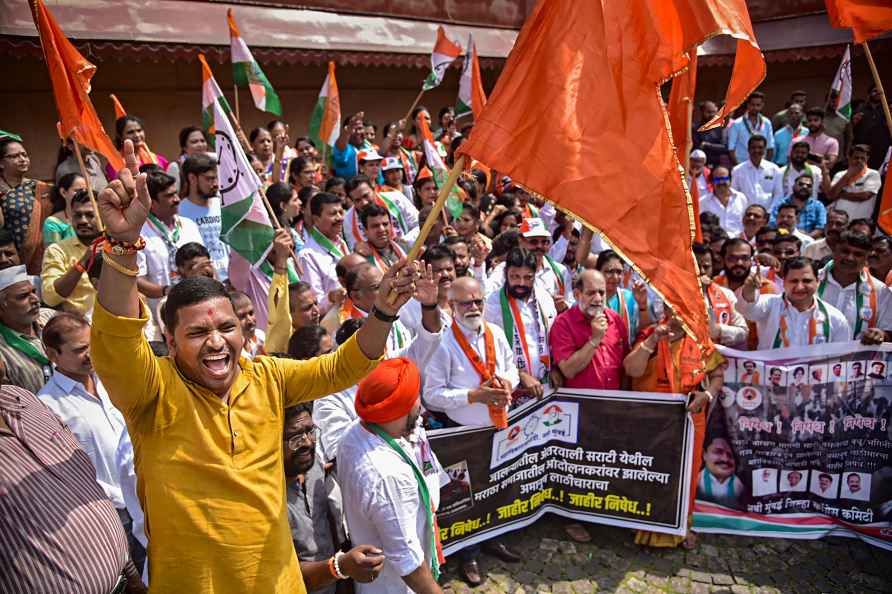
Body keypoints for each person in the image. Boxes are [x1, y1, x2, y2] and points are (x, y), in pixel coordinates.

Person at [89, 141, 421, 594]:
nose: (217, 341)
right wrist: (124, 248)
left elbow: (341, 369)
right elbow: (117, 339)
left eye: (227, 327)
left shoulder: (266, 376)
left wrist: (382, 313)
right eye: (196, 333)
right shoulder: (152, 391)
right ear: (169, 340)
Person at [0, 382, 144, 594]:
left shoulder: (22, 399)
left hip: (125, 579)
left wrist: (130, 571)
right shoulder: (50, 398)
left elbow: (85, 483)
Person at [423, 276, 520, 586]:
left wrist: (508, 383)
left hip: (497, 426)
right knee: (466, 496)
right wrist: (474, 396)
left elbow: (512, 369)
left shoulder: (496, 332)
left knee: (497, 486)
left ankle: (496, 539)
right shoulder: (442, 342)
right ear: (451, 306)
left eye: (478, 300)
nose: (474, 307)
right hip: (460, 432)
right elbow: (432, 395)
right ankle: (469, 554)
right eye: (466, 302)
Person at [36, 313, 145, 571]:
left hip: (144, 498)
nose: (90, 354)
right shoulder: (47, 405)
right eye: (80, 349)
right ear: (53, 355)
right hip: (108, 513)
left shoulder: (110, 380)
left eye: (92, 344)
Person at [338, 358, 448, 593]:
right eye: (415, 398)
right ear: (400, 408)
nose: (420, 404)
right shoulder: (388, 476)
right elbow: (408, 562)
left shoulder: (359, 429)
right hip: (394, 587)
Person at [623, 305, 724, 547]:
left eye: (683, 306)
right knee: (651, 472)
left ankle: (680, 527)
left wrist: (707, 395)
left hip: (688, 418)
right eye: (674, 306)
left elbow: (718, 375)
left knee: (685, 475)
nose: (679, 312)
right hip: (652, 420)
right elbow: (631, 369)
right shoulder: (651, 333)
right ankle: (645, 526)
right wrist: (653, 340)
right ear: (666, 307)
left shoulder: (700, 339)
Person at [282, 403, 385, 594]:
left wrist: (343, 576)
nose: (307, 442)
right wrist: (340, 567)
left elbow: (329, 522)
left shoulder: (314, 468)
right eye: (295, 438)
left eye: (310, 431)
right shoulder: (266, 497)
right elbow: (285, 575)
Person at [136, 169, 204, 335]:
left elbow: (205, 263)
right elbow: (137, 280)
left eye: (176, 193)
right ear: (152, 201)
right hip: (162, 318)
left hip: (198, 309)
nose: (177, 199)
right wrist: (167, 291)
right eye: (169, 196)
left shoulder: (189, 225)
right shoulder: (139, 233)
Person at [485, 248, 557, 401]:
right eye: (515, 276)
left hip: (544, 387)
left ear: (535, 273)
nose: (521, 283)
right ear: (505, 273)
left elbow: (552, 339)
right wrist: (520, 374)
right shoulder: (492, 304)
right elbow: (490, 351)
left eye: (528, 277)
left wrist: (556, 369)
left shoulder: (545, 299)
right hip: (511, 391)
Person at [736, 257, 851, 349]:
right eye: (794, 281)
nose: (800, 287)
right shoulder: (770, 304)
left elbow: (840, 358)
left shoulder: (835, 318)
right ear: (784, 282)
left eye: (806, 281)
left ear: (817, 282)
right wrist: (749, 290)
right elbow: (748, 310)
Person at [817, 230, 892, 344]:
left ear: (867, 257)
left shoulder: (880, 291)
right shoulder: (811, 281)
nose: (850, 258)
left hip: (854, 361)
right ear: (834, 250)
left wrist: (880, 334)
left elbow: (887, 331)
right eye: (845, 251)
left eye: (858, 254)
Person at [41, 189, 102, 315]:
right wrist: (83, 263)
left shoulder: (117, 243)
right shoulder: (57, 251)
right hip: (81, 326)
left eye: (90, 215)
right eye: (77, 215)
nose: (83, 221)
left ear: (103, 217)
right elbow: (50, 298)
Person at [0, 137, 52, 274]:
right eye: (14, 156)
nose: (22, 159)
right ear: (1, 163)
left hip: (42, 258)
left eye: (24, 154)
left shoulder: (42, 188)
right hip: (8, 262)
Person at [0, 265, 52, 392]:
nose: (35, 299)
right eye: (23, 296)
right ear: (2, 305)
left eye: (33, 292)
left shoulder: (50, 317)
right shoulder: (2, 350)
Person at [179, 154, 229, 281]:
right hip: (205, 281)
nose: (216, 184)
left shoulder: (222, 206)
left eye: (216, 178)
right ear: (192, 178)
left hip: (231, 278)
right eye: (209, 179)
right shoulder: (180, 211)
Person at [299, 192, 348, 315]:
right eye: (333, 214)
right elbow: (313, 306)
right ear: (316, 219)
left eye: (341, 212)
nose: (340, 218)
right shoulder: (308, 255)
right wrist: (331, 297)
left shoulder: (341, 243)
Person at [693, 243, 748, 348]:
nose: (701, 271)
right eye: (695, 267)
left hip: (719, 359)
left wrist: (719, 330)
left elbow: (743, 332)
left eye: (706, 266)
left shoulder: (726, 294)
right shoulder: (669, 295)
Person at [594, 250, 650, 342]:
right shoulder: (588, 299)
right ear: (598, 272)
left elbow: (644, 332)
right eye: (609, 271)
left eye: (619, 272)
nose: (615, 277)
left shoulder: (629, 297)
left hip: (626, 354)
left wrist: (643, 306)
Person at [827, 144, 882, 222]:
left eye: (862, 158)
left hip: (858, 223)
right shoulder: (840, 174)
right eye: (856, 158)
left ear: (867, 159)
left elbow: (864, 196)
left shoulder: (873, 174)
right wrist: (847, 176)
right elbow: (831, 195)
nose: (859, 161)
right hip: (837, 220)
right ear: (849, 158)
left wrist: (840, 194)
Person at [106, 115, 169, 181]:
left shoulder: (158, 160)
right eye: (130, 132)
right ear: (120, 136)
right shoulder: (114, 164)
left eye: (139, 130)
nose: (137, 135)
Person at [731, 135, 782, 210]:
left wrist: (770, 212)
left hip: (768, 215)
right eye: (753, 147)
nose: (756, 150)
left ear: (765, 149)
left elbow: (778, 194)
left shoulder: (774, 169)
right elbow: (734, 194)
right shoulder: (737, 170)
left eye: (760, 148)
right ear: (748, 149)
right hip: (745, 214)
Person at [696, 435, 744, 508]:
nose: (725, 459)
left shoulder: (740, 486)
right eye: (718, 452)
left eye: (730, 455)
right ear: (704, 454)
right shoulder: (695, 482)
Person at [727, 92, 775, 164]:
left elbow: (770, 147)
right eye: (752, 105)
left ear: (762, 105)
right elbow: (731, 148)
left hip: (761, 165)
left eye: (758, 105)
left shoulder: (767, 122)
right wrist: (738, 167)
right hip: (742, 163)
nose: (755, 108)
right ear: (748, 105)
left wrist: (766, 165)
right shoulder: (737, 123)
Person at [699, 166, 748, 236]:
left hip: (737, 242)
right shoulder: (703, 202)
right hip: (714, 243)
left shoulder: (741, 198)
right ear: (712, 182)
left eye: (724, 178)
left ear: (730, 180)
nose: (721, 182)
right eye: (717, 179)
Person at [851, 85, 892, 170]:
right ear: (869, 93)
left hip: (880, 149)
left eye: (879, 92)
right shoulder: (860, 109)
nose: (877, 93)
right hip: (862, 149)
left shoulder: (887, 110)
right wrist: (854, 122)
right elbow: (851, 128)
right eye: (874, 91)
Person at [43, 172, 86, 247]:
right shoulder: (53, 223)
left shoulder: (96, 217)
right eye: (78, 191)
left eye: (86, 190)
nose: (84, 194)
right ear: (63, 192)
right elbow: (53, 255)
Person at [361, 204, 405, 271]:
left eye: (385, 224)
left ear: (391, 225)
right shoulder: (362, 259)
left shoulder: (404, 246)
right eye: (375, 226)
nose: (382, 229)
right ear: (365, 231)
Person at [166, 126, 209, 192]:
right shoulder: (176, 167)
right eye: (194, 142)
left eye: (203, 141)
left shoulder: (214, 164)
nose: (200, 145)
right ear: (184, 147)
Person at [772, 103, 808, 167]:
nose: (793, 115)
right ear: (787, 116)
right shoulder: (778, 134)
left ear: (802, 115)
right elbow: (773, 156)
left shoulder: (807, 133)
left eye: (796, 113)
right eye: (791, 113)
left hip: (801, 168)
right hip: (781, 167)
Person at [333, 112, 367, 179]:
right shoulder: (342, 147)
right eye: (354, 129)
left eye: (360, 128)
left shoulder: (369, 147)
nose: (357, 132)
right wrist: (350, 126)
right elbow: (342, 143)